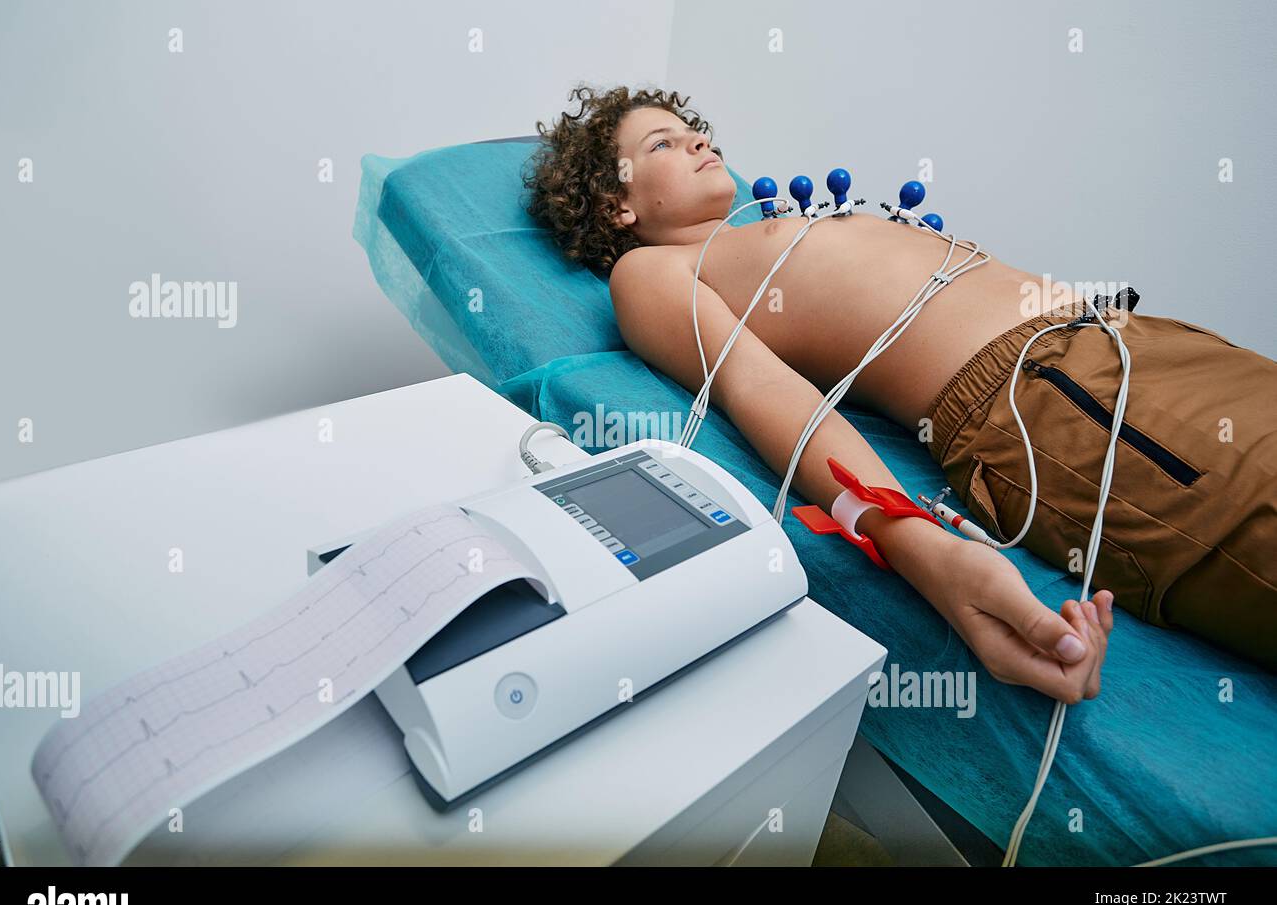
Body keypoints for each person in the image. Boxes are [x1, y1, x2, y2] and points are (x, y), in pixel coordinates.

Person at [522, 85, 1277, 698]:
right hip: (1055, 400)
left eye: (692, 129)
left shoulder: (763, 230)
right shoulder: (650, 272)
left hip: (1139, 343)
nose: (696, 139)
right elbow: (762, 391)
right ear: (618, 206)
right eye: (662, 143)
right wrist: (922, 548)